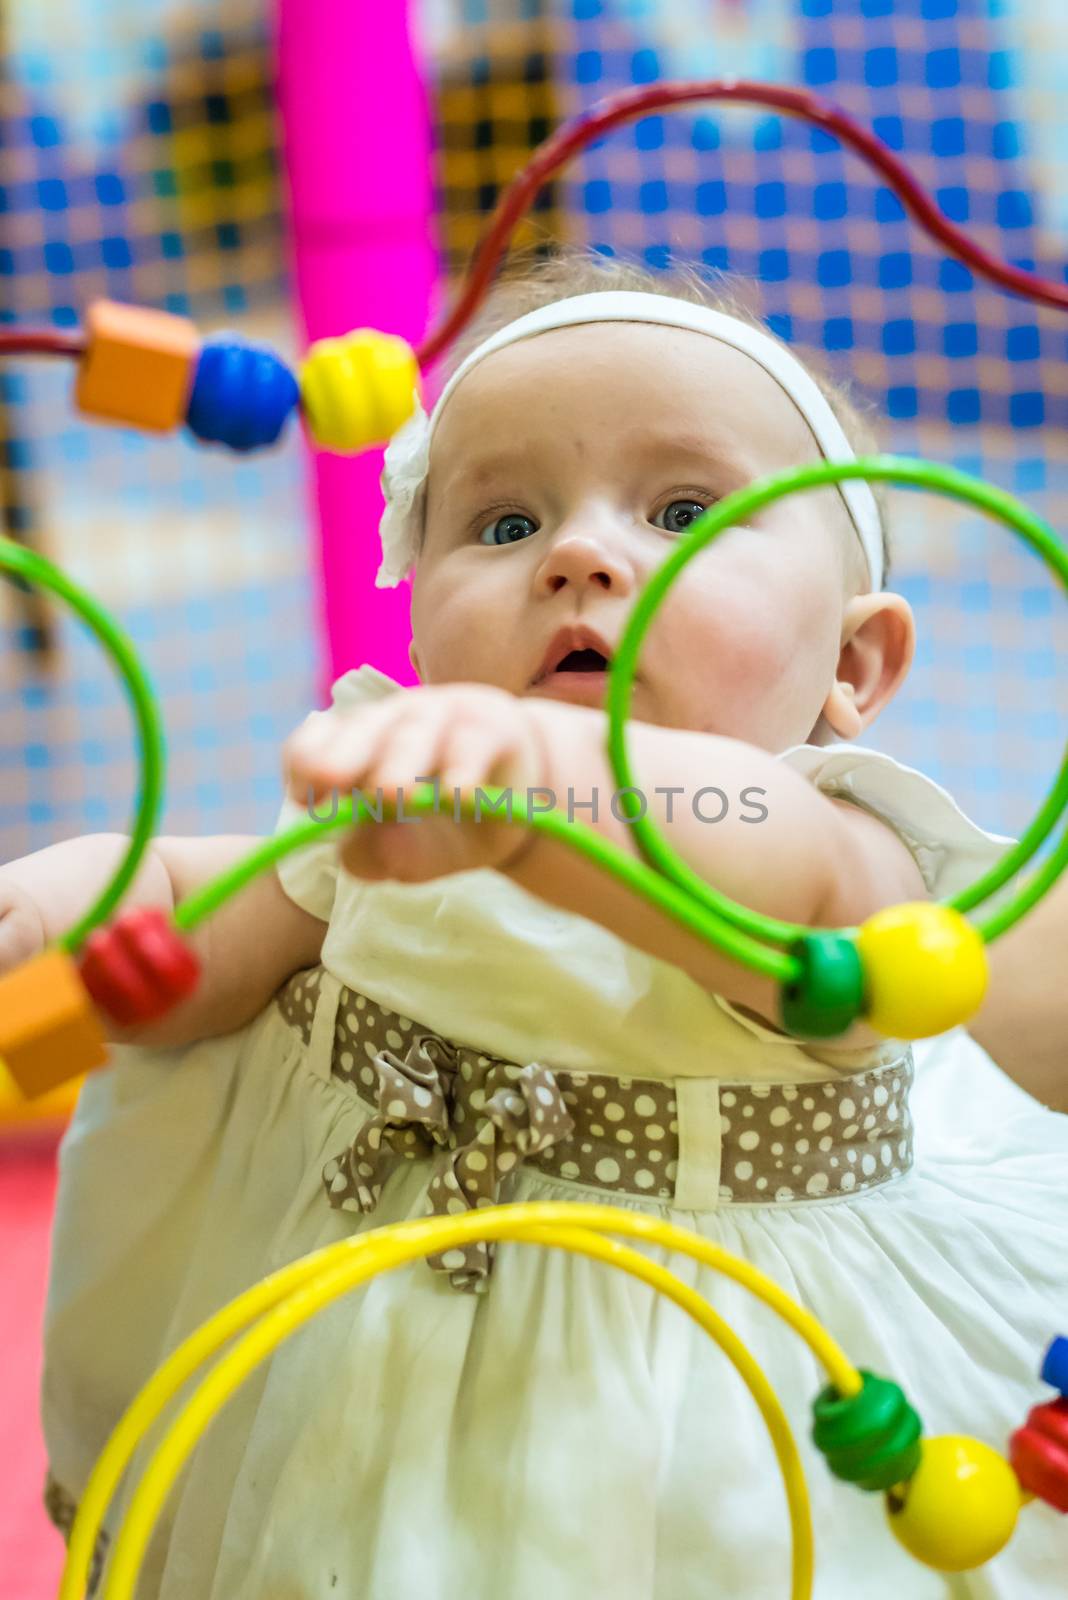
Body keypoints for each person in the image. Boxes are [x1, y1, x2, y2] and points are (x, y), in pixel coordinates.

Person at [3, 250, 1066, 1599]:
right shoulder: (395, 794)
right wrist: (73, 903)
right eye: (503, 526)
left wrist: (539, 791)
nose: (578, 553)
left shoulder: (837, 848)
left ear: (853, 668)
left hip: (704, 1432)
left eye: (682, 511)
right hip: (361, 1383)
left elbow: (748, 856)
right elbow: (209, 921)